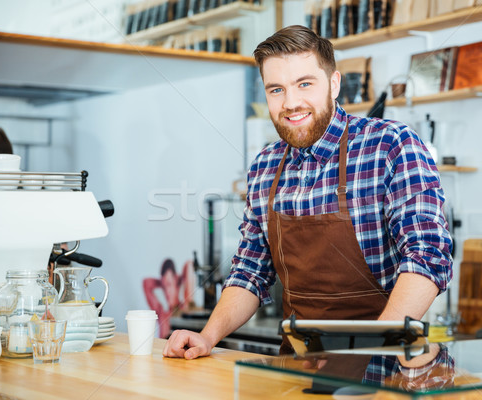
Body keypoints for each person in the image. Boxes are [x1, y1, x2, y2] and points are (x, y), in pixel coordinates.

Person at [163, 25, 452, 359]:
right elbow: (250, 271)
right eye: (276, 90)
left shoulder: (391, 145)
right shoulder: (265, 167)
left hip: (385, 369)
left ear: (333, 84)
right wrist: (207, 336)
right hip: (298, 368)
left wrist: (377, 347)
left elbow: (428, 255)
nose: (291, 102)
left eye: (304, 84)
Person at [144, 259, 193, 338]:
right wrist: (161, 282)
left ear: (176, 279)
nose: (166, 292)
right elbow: (146, 282)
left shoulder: (185, 308)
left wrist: (180, 280)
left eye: (169, 284)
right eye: (164, 287)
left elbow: (189, 265)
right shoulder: (161, 313)